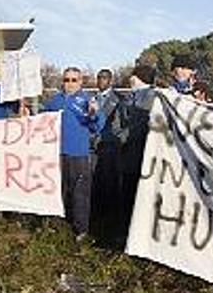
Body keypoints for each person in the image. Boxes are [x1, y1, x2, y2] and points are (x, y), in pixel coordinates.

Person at [42, 67, 106, 241]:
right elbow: (41, 121)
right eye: (66, 80)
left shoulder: (87, 100)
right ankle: (58, 222)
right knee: (59, 190)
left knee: (80, 193)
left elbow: (98, 126)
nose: (69, 83)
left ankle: (81, 229)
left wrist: (94, 115)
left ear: (80, 82)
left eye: (73, 80)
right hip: (56, 153)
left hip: (79, 154)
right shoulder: (54, 100)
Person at [118, 64, 156, 236]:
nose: (130, 79)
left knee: (135, 192)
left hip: (140, 150)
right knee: (127, 190)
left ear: (140, 77)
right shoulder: (133, 96)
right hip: (130, 152)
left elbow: (138, 124)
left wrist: (122, 136)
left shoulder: (150, 95)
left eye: (133, 76)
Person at [90, 69, 126, 236]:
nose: (101, 81)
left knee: (112, 183)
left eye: (104, 78)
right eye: (99, 78)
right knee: (95, 182)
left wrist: (117, 141)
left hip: (111, 147)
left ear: (110, 80)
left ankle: (113, 221)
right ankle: (97, 218)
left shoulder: (119, 99)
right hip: (94, 148)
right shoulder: (91, 99)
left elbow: (125, 124)